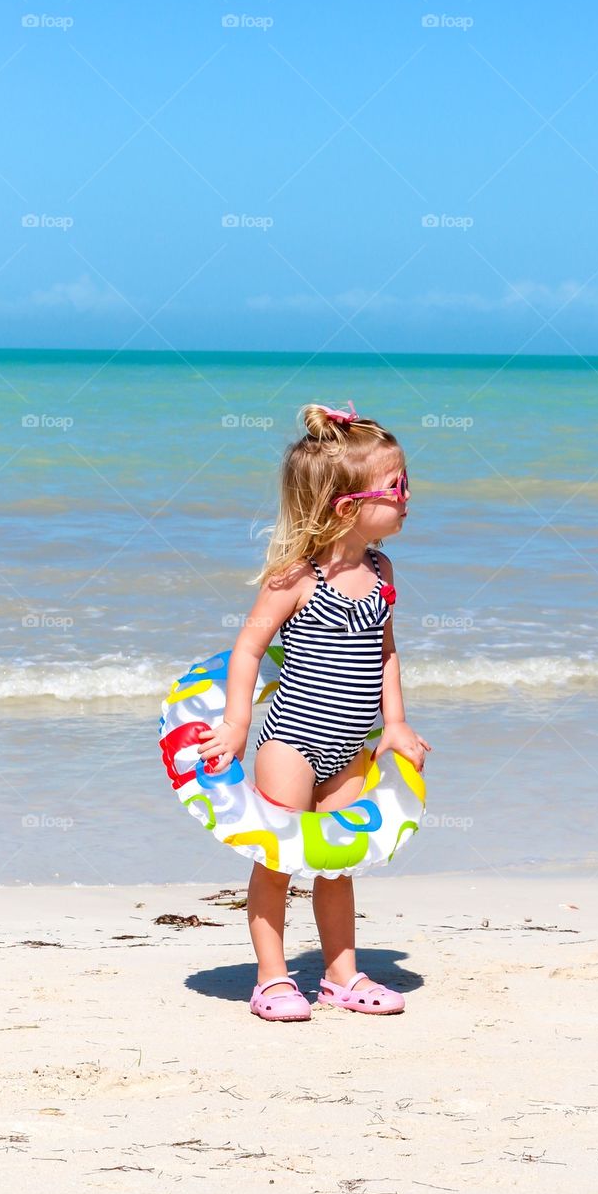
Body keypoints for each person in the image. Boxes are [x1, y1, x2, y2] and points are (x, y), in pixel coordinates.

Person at [197, 400, 431, 1021]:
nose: (408, 496)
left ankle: (340, 976)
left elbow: (384, 653)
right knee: (277, 861)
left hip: (350, 746)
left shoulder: (381, 571)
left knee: (337, 861)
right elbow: (248, 648)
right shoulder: (296, 578)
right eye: (397, 486)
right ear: (349, 506)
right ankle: (272, 979)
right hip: (291, 743)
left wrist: (397, 724)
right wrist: (237, 727)